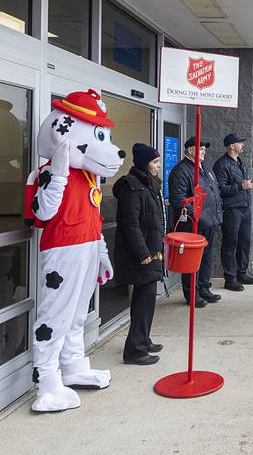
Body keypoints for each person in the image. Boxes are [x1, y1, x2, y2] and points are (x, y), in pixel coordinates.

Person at [112, 144, 165, 365]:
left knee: (145, 299)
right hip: (141, 255)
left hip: (151, 251)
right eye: (154, 162)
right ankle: (135, 350)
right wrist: (143, 253)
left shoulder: (147, 184)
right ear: (144, 163)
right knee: (144, 299)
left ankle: (142, 339)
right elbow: (130, 224)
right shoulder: (131, 187)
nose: (158, 166)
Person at [168, 137, 223, 306]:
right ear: (190, 150)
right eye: (200, 149)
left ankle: (204, 288)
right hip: (193, 223)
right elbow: (179, 199)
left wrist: (216, 215)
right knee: (192, 260)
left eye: (205, 149)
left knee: (206, 257)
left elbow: (214, 191)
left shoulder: (205, 168)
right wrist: (198, 216)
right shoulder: (181, 170)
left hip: (209, 222)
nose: (204, 152)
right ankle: (192, 295)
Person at [213, 133, 253, 292]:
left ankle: (241, 273)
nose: (243, 144)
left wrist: (245, 186)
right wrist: (240, 186)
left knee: (244, 241)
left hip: (244, 207)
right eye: (240, 142)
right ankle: (230, 278)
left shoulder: (239, 162)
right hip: (232, 210)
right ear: (232, 145)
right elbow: (220, 189)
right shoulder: (221, 165)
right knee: (230, 243)